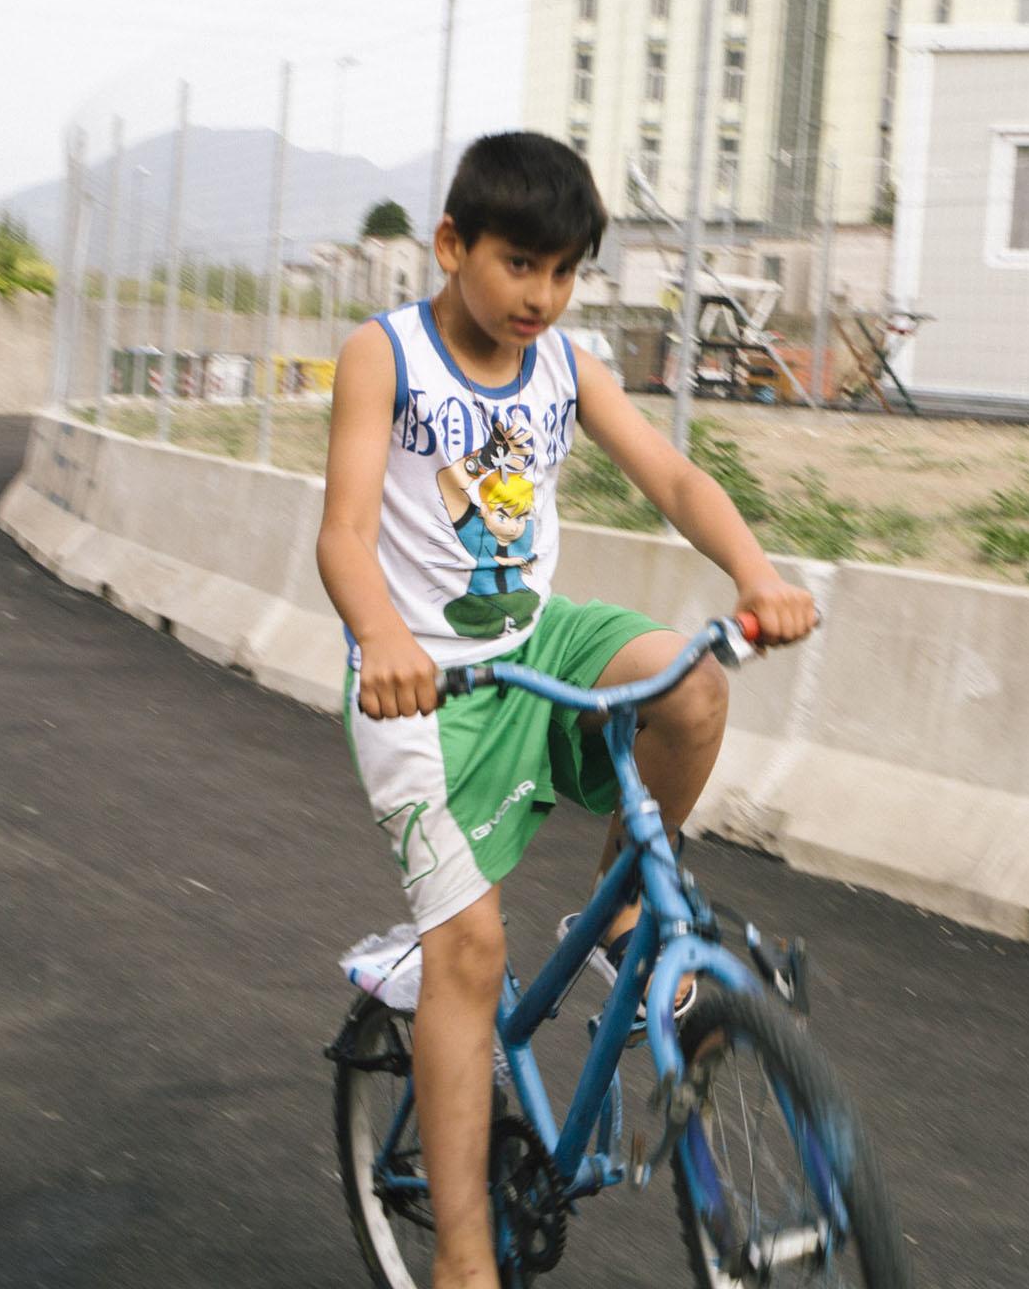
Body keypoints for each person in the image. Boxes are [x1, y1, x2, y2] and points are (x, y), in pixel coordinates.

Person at [315, 131, 817, 1289]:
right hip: (423, 693)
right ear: (451, 246)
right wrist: (382, 636)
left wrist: (756, 576)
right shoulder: (381, 356)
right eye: (516, 265)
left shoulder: (566, 365)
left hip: (537, 645)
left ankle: (623, 923)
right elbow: (344, 532)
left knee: (690, 686)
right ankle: (461, 1259)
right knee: (471, 953)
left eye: (563, 271)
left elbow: (677, 477)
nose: (539, 296)